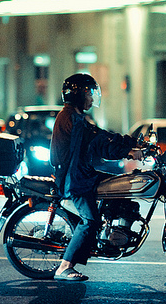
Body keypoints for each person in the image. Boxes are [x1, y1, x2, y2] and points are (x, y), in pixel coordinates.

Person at [50, 73, 141, 281]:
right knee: (90, 220)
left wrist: (131, 142)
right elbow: (99, 143)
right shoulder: (71, 118)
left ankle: (114, 234)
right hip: (74, 179)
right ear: (78, 95)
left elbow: (100, 134)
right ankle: (64, 267)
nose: (92, 99)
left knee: (121, 185)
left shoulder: (75, 116)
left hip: (81, 173)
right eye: (89, 94)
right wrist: (126, 151)